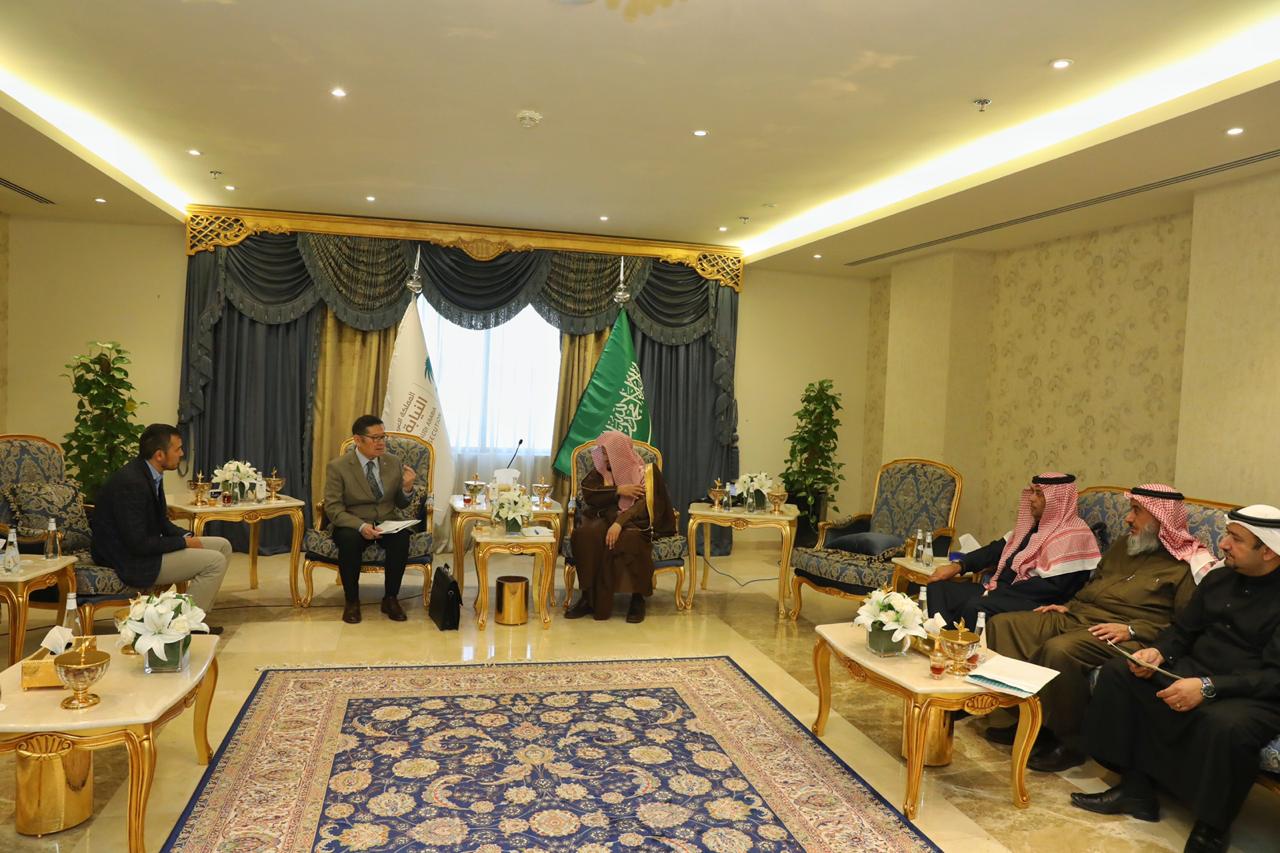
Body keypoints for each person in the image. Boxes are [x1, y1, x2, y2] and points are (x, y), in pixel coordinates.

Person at [1073, 504, 1280, 853]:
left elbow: (1275, 676)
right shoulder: (1219, 578)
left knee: (1226, 726)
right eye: (1227, 535)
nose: (1223, 544)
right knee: (1120, 674)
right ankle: (1135, 788)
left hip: (1252, 692)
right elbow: (1182, 631)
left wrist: (1209, 688)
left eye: (1235, 539)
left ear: (1269, 551)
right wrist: (1158, 653)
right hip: (1195, 668)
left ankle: (1211, 827)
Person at [984, 484, 1213, 771]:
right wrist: (1068, 605)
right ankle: (1022, 719)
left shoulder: (1186, 565)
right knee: (1004, 624)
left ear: (1160, 519)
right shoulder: (1125, 545)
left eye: (1137, 511)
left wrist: (1133, 630)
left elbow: (1185, 626)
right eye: (1130, 510)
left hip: (1124, 632)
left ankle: (1068, 742)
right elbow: (1095, 584)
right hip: (1080, 615)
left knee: (1060, 650)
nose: (1128, 518)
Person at [92, 423, 231, 622]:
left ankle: (196, 616)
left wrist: (187, 536)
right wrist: (183, 543)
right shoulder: (132, 482)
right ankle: (183, 626)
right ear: (159, 455)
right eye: (178, 449)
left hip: (145, 550)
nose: (182, 453)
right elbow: (138, 544)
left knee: (223, 546)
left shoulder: (150, 473)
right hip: (131, 561)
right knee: (214, 562)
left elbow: (162, 523)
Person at [926, 473, 1100, 630]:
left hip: (1036, 602)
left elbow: (1052, 588)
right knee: (938, 587)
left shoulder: (1074, 535)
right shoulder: (1033, 527)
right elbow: (995, 550)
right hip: (1002, 591)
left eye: (1039, 494)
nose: (1031, 498)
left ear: (1058, 501)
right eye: (1032, 492)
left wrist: (998, 594)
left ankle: (961, 648)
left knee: (975, 606)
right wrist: (959, 566)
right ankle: (942, 638)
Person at [565, 430, 675, 623]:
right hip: (603, 516)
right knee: (585, 534)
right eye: (602, 452)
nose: (603, 457)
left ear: (618, 452)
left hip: (634, 521)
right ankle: (588, 597)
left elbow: (643, 504)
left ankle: (637, 598)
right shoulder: (602, 471)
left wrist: (618, 523)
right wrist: (618, 490)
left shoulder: (645, 472)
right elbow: (590, 494)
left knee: (629, 539)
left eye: (607, 452)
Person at [323, 415, 417, 624]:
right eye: (375, 438)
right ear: (358, 440)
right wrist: (361, 526)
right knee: (349, 540)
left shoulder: (393, 462)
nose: (381, 442)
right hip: (353, 521)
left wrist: (407, 488)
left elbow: (401, 504)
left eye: (383, 437)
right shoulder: (338, 467)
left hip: (386, 521)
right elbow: (333, 508)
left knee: (401, 538)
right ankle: (352, 601)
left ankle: (390, 598)